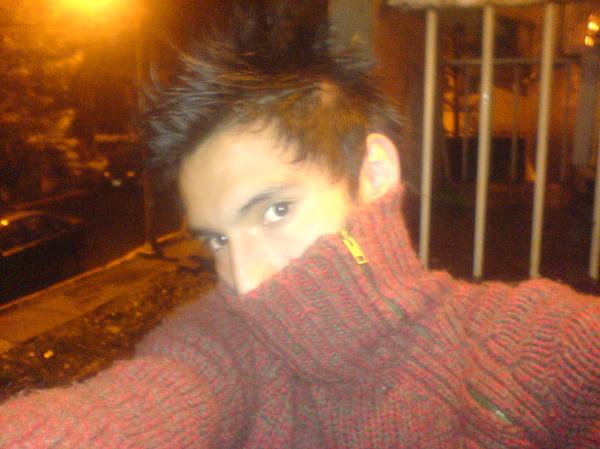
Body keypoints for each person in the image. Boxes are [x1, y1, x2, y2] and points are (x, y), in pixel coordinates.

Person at [1, 3, 599, 448]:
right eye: (217, 240)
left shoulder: (534, 343)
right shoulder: (229, 342)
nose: (245, 281)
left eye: (274, 211)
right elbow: (137, 405)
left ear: (373, 173)